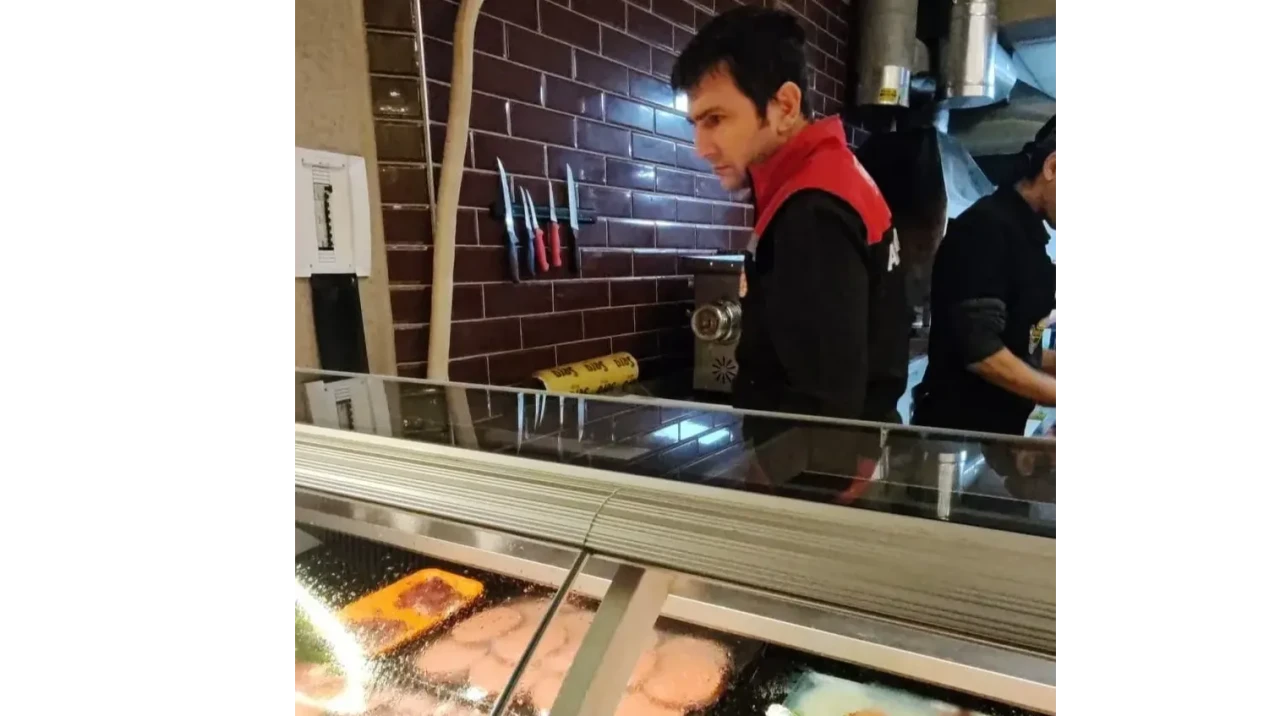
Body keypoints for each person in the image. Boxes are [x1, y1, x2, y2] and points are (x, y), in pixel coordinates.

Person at [671, 7, 910, 498]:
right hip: (843, 463)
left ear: (784, 104)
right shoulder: (831, 176)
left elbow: (822, 410)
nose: (702, 146)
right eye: (696, 122)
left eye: (716, 119)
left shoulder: (811, 209)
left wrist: (773, 496)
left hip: (817, 482)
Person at [912, 117, 1057, 437]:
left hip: (998, 440)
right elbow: (981, 352)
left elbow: (1020, 346)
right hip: (954, 443)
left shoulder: (1031, 240)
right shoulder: (986, 228)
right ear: (1052, 167)